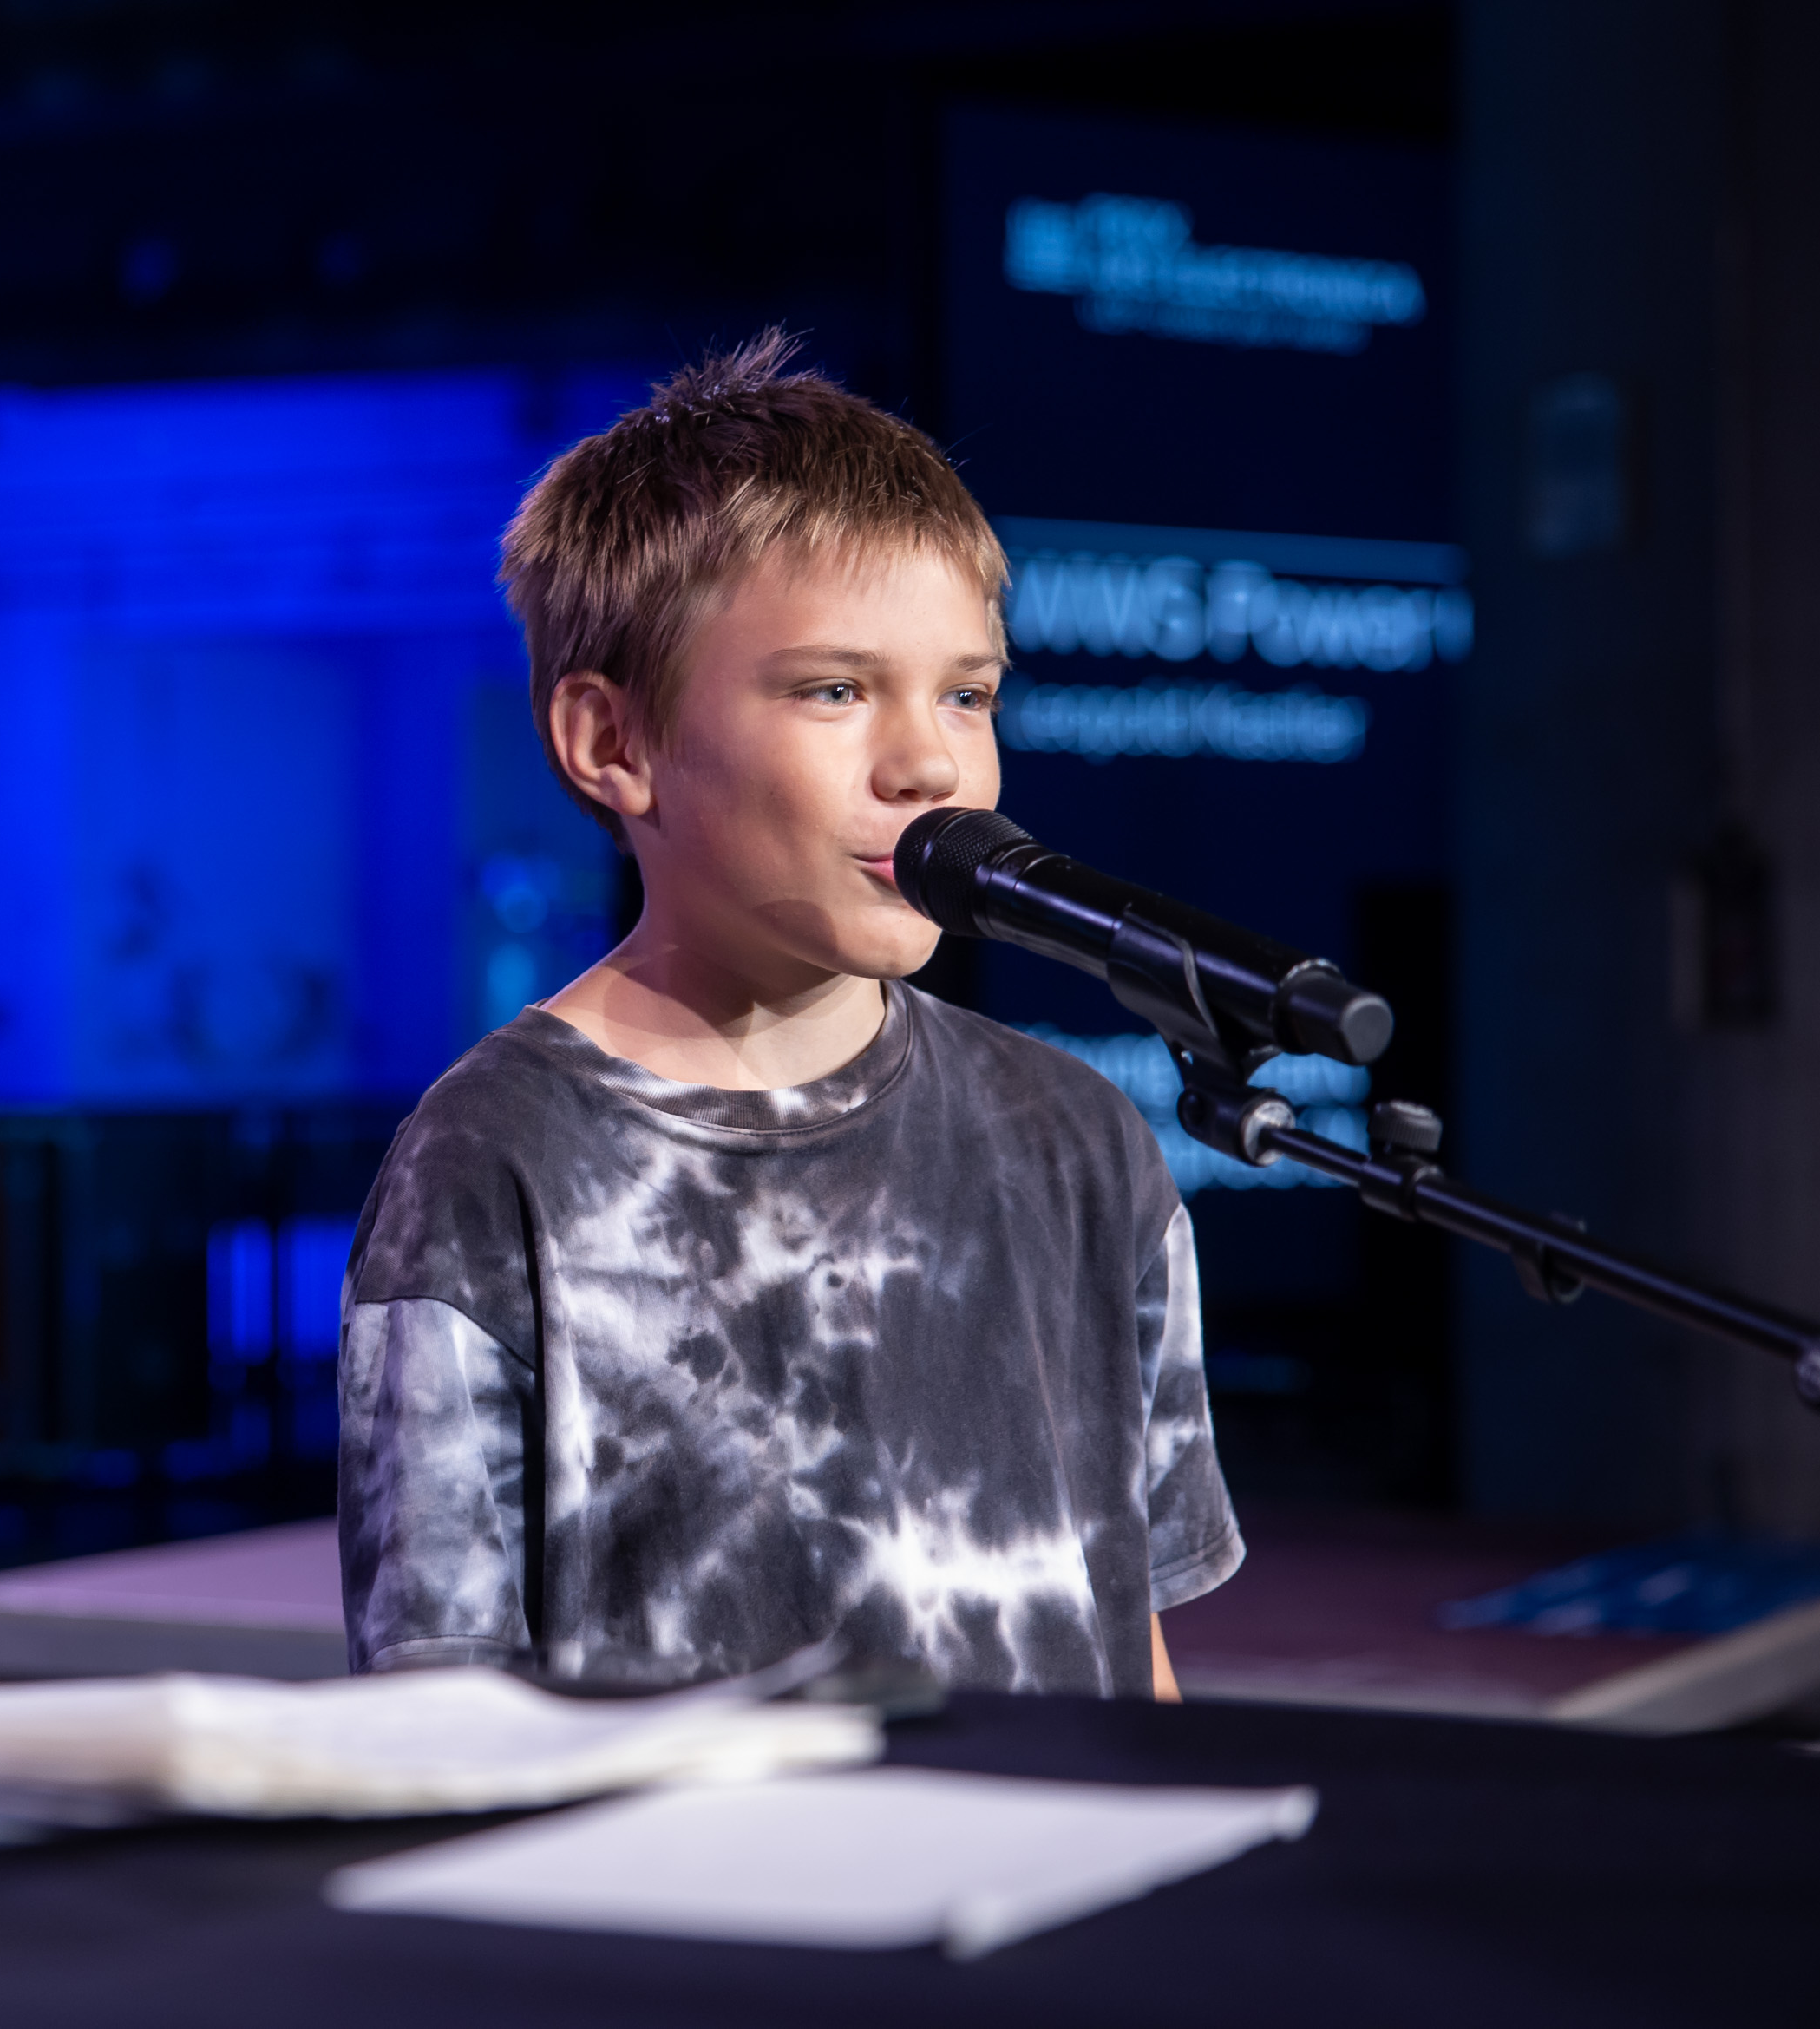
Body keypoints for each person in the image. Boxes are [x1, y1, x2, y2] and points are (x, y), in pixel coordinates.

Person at [336, 336, 1238, 1697]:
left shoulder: (1075, 1137)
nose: (929, 763)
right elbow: (438, 1704)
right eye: (835, 690)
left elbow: (1130, 1633)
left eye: (968, 695)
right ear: (614, 743)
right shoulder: (498, 1158)